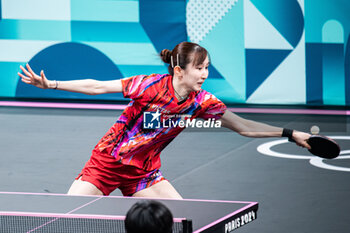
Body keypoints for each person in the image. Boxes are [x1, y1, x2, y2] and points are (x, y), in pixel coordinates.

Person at [18, 42, 311, 198]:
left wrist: (290, 133)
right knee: (68, 215)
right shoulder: (149, 85)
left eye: (207, 68)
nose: (205, 74)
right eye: (199, 68)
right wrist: (52, 84)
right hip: (106, 164)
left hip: (144, 174)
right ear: (179, 70)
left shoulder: (202, 102)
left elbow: (244, 126)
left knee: (183, 221)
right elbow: (98, 86)